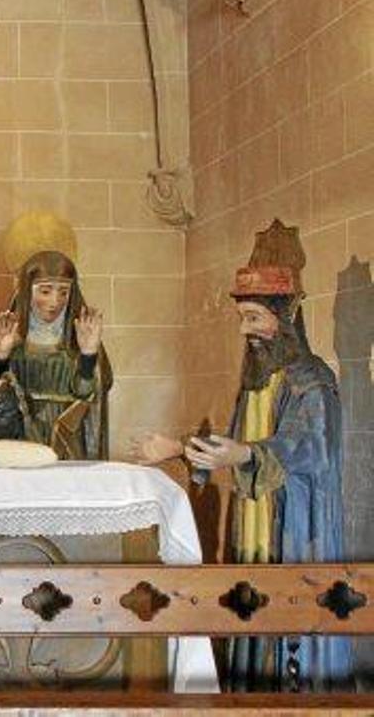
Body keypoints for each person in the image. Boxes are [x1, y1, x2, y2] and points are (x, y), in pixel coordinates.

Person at [130, 227, 351, 692]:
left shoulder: (312, 381)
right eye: (242, 318)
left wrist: (249, 453)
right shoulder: (256, 381)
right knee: (250, 619)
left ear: (285, 317)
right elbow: (231, 445)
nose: (244, 330)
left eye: (253, 318)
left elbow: (311, 449)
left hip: (294, 530)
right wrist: (178, 448)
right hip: (253, 528)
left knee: (290, 633)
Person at [0, 250, 110, 460]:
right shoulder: (6, 335)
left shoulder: (82, 338)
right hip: (20, 440)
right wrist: (0, 357)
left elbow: (89, 395)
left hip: (68, 441)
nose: (55, 302)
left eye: (64, 292)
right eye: (45, 291)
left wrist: (88, 355)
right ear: (27, 291)